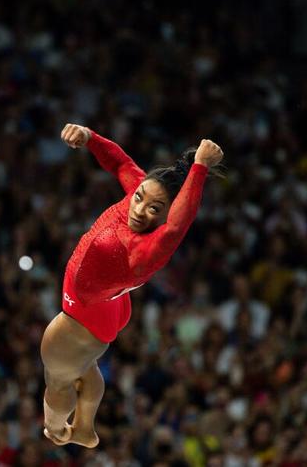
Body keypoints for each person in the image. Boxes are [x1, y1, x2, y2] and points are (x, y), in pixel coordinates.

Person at [40, 123, 224, 448]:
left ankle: (55, 429)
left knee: (57, 378)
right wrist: (91, 138)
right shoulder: (139, 194)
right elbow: (121, 164)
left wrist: (200, 169)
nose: (138, 210)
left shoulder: (145, 250)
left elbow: (178, 226)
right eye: (139, 198)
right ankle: (84, 428)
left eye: (154, 209)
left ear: (168, 214)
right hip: (104, 306)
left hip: (83, 316)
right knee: (85, 366)